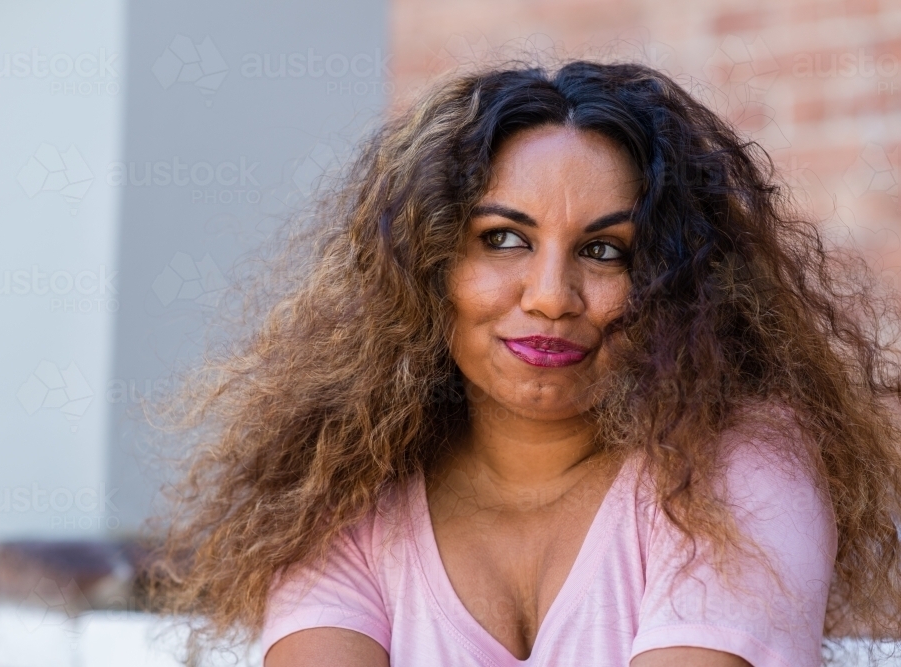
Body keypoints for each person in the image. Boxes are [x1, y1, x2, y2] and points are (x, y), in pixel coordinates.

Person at [147, 60, 901, 666]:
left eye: (604, 250)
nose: (549, 297)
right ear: (428, 264)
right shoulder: (345, 490)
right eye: (504, 239)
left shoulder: (733, 468)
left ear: (680, 289)